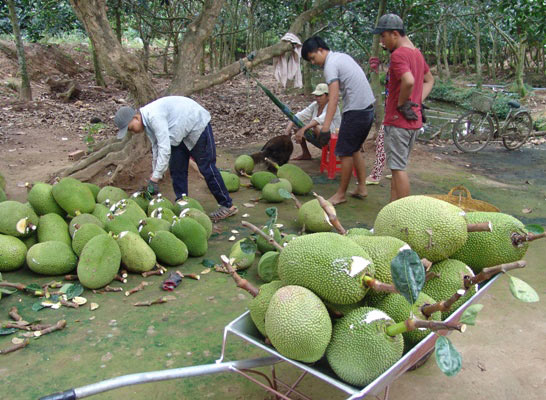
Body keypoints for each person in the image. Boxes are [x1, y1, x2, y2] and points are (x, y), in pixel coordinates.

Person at [114, 96, 238, 222]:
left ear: (136, 117)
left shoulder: (153, 116)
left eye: (130, 128)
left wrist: (155, 178)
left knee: (207, 167)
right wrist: (155, 175)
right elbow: (156, 147)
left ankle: (228, 205)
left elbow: (164, 148)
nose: (132, 132)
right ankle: (183, 206)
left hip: (197, 125)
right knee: (177, 170)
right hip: (178, 134)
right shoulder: (147, 124)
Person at [301, 37, 375, 205]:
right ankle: (362, 188)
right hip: (368, 109)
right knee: (354, 149)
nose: (314, 62)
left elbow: (333, 98)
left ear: (320, 50)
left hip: (356, 110)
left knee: (344, 152)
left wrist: (325, 127)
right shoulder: (341, 57)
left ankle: (340, 194)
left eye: (313, 57)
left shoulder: (330, 65)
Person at [372, 14, 434, 201]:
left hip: (398, 122)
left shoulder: (399, 55)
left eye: (383, 36)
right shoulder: (416, 53)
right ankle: (393, 207)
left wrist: (401, 104)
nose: (382, 41)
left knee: (398, 169)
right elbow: (429, 80)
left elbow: (408, 81)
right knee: (396, 166)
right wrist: (416, 101)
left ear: (395, 34)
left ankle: (405, 213)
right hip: (413, 122)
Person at [284, 83, 342, 160]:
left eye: (320, 96)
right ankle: (306, 154)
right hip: (320, 135)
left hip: (333, 136)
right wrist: (288, 130)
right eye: (316, 96)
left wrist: (303, 130)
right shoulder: (315, 105)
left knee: (317, 127)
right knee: (297, 125)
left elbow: (319, 120)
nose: (318, 98)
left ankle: (332, 152)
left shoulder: (333, 106)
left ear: (327, 96)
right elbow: (299, 116)